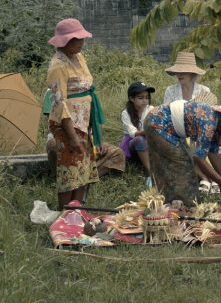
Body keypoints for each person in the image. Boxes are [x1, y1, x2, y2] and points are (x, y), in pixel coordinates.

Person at [144, 99, 221, 204]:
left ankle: (166, 202)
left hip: (161, 123)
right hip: (158, 123)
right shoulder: (209, 122)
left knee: (175, 162)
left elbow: (212, 152)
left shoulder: (218, 124)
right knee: (183, 164)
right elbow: (199, 158)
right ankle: (187, 205)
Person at [46, 18, 108, 209]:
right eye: (76, 39)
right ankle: (66, 211)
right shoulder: (58, 65)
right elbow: (59, 102)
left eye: (81, 38)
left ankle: (78, 209)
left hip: (84, 120)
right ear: (65, 41)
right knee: (70, 167)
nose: (81, 42)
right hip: (67, 124)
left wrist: (93, 127)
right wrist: (72, 136)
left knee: (83, 168)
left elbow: (87, 88)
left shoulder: (79, 57)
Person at [121, 81, 155, 182]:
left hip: (149, 141)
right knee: (139, 139)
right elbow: (133, 134)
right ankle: (150, 173)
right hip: (132, 143)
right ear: (132, 98)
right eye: (141, 98)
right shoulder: (126, 113)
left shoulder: (151, 109)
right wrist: (149, 130)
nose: (145, 101)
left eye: (147, 97)